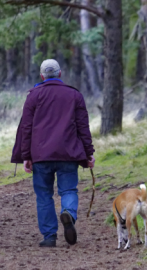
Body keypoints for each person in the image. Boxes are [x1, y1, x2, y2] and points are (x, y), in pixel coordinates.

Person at [11, 59, 95, 247]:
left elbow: (26, 128)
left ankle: (49, 236)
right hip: (68, 153)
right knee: (68, 190)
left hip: (41, 155)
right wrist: (89, 153)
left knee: (44, 195)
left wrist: (26, 156)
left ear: (41, 76)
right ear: (60, 74)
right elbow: (83, 127)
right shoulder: (74, 95)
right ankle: (68, 214)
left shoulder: (33, 96)